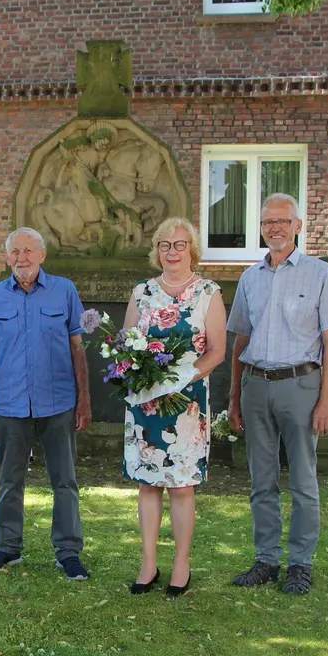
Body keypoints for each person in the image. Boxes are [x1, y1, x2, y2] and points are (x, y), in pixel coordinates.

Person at [226, 193, 328, 596]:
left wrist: (327, 400)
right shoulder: (250, 278)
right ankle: (265, 560)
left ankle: (301, 564)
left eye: (282, 221)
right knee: (261, 479)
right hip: (255, 386)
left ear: (298, 225)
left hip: (301, 387)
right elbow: (241, 337)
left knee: (302, 480)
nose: (274, 228)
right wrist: (233, 396)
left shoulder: (320, 273)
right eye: (267, 223)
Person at [0, 227, 93, 580]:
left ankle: (68, 552)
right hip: (10, 406)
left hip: (58, 403)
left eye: (28, 251)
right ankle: (8, 548)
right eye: (14, 251)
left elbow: (77, 348)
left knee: (65, 481)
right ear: (6, 256)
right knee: (10, 480)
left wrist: (84, 400)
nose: (21, 258)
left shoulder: (64, 291)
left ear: (42, 255)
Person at [122, 218, 226, 598]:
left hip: (186, 406)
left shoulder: (207, 293)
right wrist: (136, 373)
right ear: (157, 250)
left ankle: (181, 565)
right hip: (145, 405)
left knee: (181, 487)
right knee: (147, 485)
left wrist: (181, 378)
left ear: (192, 249)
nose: (172, 252)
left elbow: (217, 349)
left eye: (179, 245)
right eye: (165, 245)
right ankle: (148, 563)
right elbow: (127, 344)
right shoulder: (143, 292)